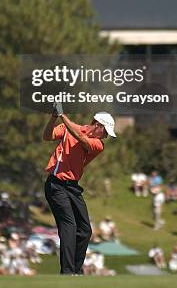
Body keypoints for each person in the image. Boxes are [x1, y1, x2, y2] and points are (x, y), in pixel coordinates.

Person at [43, 102, 116, 276]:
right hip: (55, 185)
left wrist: (62, 115)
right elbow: (47, 136)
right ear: (97, 125)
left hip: (73, 188)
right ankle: (67, 272)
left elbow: (80, 138)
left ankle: (75, 270)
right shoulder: (68, 127)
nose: (105, 136)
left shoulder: (98, 144)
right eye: (105, 131)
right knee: (68, 226)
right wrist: (54, 117)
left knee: (85, 229)